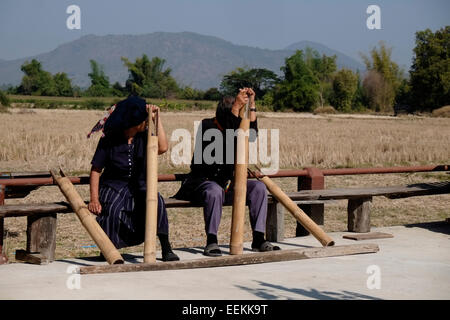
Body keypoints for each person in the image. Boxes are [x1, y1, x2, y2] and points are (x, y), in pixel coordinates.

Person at [174, 88, 280, 256]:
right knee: (214, 191)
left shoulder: (235, 127)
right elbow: (228, 134)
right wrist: (237, 105)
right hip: (202, 184)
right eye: (234, 112)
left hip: (227, 186)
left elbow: (252, 133)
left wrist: (251, 103)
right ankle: (211, 240)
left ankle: (259, 237)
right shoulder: (208, 125)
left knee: (258, 188)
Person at [88, 96, 179, 262]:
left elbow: (163, 147)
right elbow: (95, 170)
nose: (145, 121)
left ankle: (166, 246)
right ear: (133, 122)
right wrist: (94, 199)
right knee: (114, 208)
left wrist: (157, 118)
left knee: (156, 201)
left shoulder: (146, 137)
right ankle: (108, 248)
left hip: (139, 185)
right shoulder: (109, 139)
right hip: (113, 186)